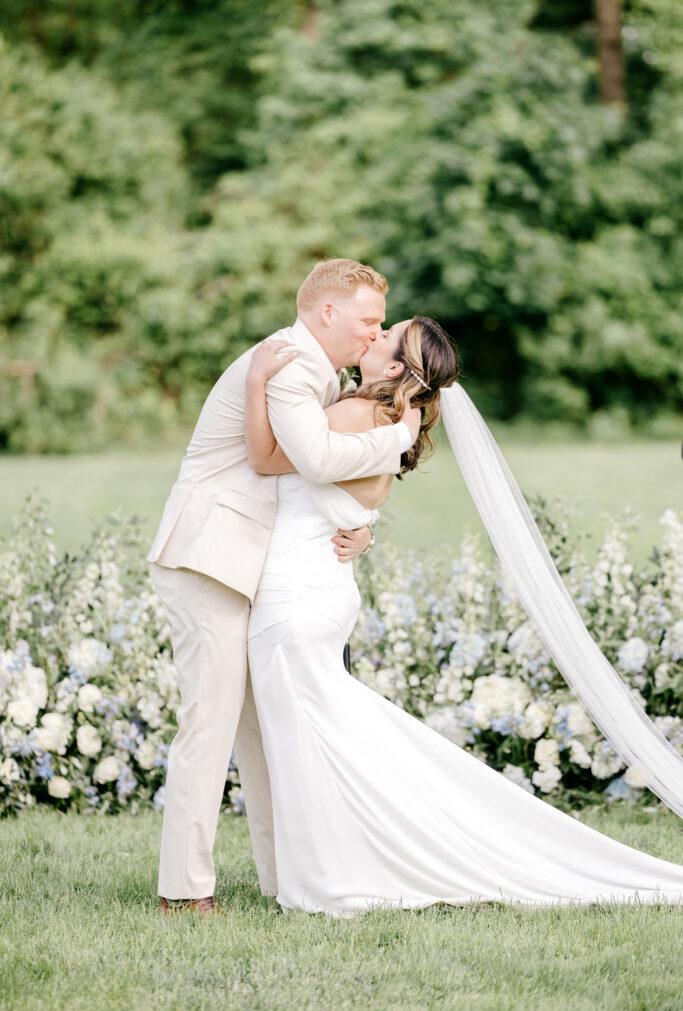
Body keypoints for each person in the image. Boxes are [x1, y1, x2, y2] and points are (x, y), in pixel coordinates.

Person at [244, 315, 683, 916]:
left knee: (314, 740)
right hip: (324, 589)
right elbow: (361, 501)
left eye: (383, 336)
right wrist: (365, 524)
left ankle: (335, 875)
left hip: (296, 594)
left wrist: (254, 384)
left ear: (396, 367)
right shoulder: (387, 418)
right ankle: (344, 862)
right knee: (331, 737)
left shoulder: (353, 416)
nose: (370, 338)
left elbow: (270, 460)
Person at [147, 259, 421, 915]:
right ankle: (183, 894)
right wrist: (398, 440)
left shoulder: (318, 372)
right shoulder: (292, 364)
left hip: (254, 561)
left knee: (261, 732)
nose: (374, 333)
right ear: (326, 313)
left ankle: (281, 878)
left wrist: (361, 522)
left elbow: (306, 478)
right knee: (210, 725)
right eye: (368, 320)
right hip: (211, 553)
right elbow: (315, 461)